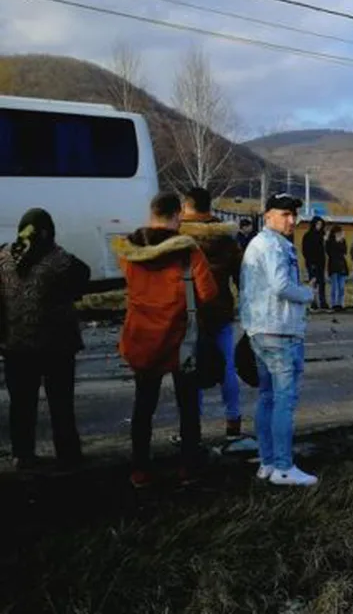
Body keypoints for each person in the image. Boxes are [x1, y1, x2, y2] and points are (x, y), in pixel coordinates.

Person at [116, 191, 218, 488]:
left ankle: (140, 469)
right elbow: (208, 293)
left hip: (142, 338)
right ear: (177, 216)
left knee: (143, 406)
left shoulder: (129, 251)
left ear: (152, 214)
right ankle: (188, 466)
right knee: (187, 406)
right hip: (179, 341)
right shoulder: (189, 252)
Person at [0, 208, 90, 470]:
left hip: (15, 345)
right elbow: (82, 279)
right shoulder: (60, 260)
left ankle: (23, 454)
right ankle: (68, 453)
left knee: (21, 404)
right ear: (48, 232)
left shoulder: (3, 256)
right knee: (61, 402)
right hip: (57, 346)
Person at [240, 193, 317, 486]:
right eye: (285, 214)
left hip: (261, 328)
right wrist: (308, 294)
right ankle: (284, 467)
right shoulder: (273, 245)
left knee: (268, 397)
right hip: (279, 330)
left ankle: (268, 461)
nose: (291, 220)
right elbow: (281, 285)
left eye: (293, 214)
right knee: (284, 399)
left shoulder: (258, 244)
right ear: (268, 215)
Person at [179, 188, 246, 443]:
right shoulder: (226, 238)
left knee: (189, 369)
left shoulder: (178, 236)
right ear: (210, 207)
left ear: (187, 206)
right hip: (220, 310)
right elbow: (241, 275)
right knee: (227, 367)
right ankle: (233, 420)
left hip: (187, 312)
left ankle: (192, 426)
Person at [302, 217, 328, 311]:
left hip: (321, 262)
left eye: (321, 225)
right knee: (313, 283)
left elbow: (324, 249)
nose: (319, 226)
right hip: (312, 262)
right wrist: (310, 261)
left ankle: (323, 302)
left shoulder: (322, 235)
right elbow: (306, 250)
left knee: (322, 283)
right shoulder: (308, 236)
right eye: (317, 224)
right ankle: (313, 302)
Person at [326, 225, 350, 311]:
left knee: (341, 286)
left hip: (341, 265)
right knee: (334, 286)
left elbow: (345, 251)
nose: (340, 234)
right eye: (338, 233)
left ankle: (341, 303)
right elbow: (330, 252)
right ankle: (334, 303)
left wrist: (341, 241)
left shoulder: (342, 241)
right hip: (333, 265)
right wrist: (336, 242)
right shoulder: (330, 241)